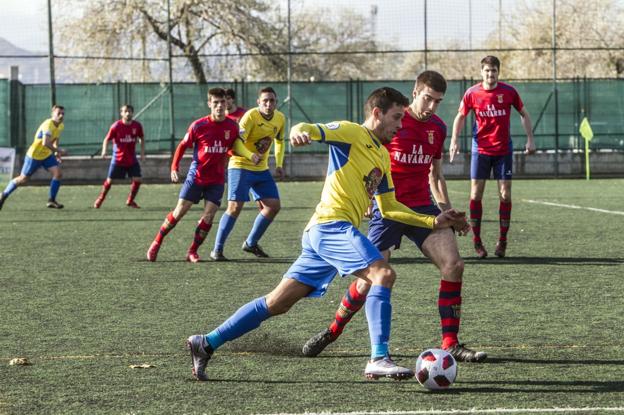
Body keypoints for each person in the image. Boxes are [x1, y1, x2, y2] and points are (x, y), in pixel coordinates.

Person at [186, 87, 469, 382]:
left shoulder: (383, 157)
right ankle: (378, 358)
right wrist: (299, 132)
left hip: (324, 234)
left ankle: (206, 342)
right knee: (382, 274)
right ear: (377, 114)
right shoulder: (351, 133)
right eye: (396, 117)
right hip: (330, 226)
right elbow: (308, 128)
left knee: (277, 303)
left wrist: (433, 221)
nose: (401, 124)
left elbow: (389, 207)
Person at [301, 71, 486, 363]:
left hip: (422, 207)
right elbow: (368, 158)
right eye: (428, 99)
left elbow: (435, 174)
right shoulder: (392, 121)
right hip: (387, 210)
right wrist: (367, 198)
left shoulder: (437, 127)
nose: (432, 107)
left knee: (454, 264)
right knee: (368, 281)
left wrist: (446, 211)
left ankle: (450, 342)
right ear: (415, 92)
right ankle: (333, 330)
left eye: (438, 101)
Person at [146, 88, 259, 263]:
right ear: (209, 104)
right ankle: (157, 242)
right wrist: (174, 167)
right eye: (215, 103)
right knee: (179, 213)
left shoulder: (232, 126)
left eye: (222, 102)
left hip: (217, 180)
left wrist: (245, 154)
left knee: (209, 217)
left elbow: (232, 148)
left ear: (226, 103)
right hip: (196, 177)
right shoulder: (198, 125)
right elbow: (182, 146)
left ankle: (192, 251)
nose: (219, 106)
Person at [449, 55, 535, 259]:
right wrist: (453, 140)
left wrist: (530, 139)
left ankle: (502, 241)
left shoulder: (509, 92)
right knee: (475, 195)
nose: (490, 74)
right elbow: (460, 116)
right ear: (482, 72)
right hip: (480, 150)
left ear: (498, 72)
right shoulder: (472, 93)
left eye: (493, 70)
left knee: (505, 195)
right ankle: (477, 241)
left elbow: (524, 113)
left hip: (503, 150)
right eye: (487, 70)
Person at [210, 86, 286, 261]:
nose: (268, 104)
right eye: (264, 101)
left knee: (273, 206)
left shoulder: (281, 118)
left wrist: (279, 163)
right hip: (240, 166)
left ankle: (250, 243)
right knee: (235, 207)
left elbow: (280, 142)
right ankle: (217, 249)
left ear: (276, 102)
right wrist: (250, 155)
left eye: (272, 100)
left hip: (261, 169)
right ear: (258, 102)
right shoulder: (250, 117)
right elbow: (236, 144)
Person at [0, 105, 66, 210]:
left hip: (47, 155)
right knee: (23, 179)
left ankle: (51, 200)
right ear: (52, 114)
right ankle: (3, 194)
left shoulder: (61, 125)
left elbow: (55, 139)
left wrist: (56, 152)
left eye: (63, 113)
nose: (61, 115)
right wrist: (59, 150)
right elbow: (45, 142)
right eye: (59, 113)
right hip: (34, 155)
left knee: (58, 174)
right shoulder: (47, 124)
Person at [93, 104, 145, 209]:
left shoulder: (137, 126)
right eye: (125, 111)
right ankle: (100, 199)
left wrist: (142, 152)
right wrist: (104, 151)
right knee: (109, 181)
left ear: (132, 113)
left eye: (130, 111)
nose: (128, 113)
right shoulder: (116, 126)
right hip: (118, 159)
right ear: (121, 113)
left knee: (138, 179)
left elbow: (142, 138)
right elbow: (106, 139)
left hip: (131, 159)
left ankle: (130, 200)